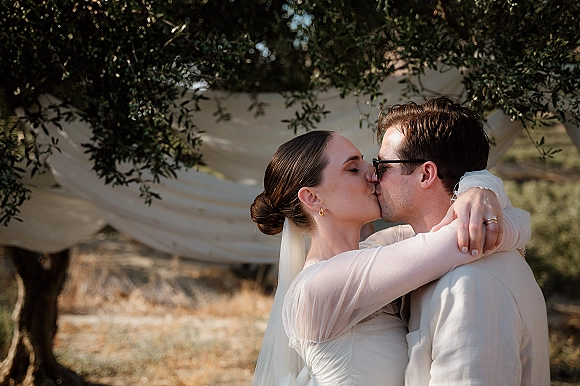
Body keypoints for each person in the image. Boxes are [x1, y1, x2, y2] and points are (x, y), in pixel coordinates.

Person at [250, 129, 531, 385]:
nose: (372, 174)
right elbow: (471, 236)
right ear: (312, 198)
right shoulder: (319, 286)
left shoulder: (376, 250)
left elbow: (490, 228)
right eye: (352, 168)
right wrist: (482, 191)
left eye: (365, 162)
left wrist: (479, 189)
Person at [371, 96, 550, 385]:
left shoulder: (470, 285)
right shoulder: (436, 257)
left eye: (383, 166)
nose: (374, 177)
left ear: (426, 174)